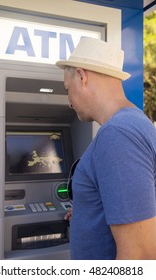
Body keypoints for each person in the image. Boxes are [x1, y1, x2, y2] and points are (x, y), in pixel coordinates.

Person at [56, 37, 156, 260]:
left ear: (82, 77)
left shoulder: (118, 134)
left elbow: (140, 255)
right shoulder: (134, 123)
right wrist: (88, 213)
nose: (69, 102)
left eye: (67, 89)